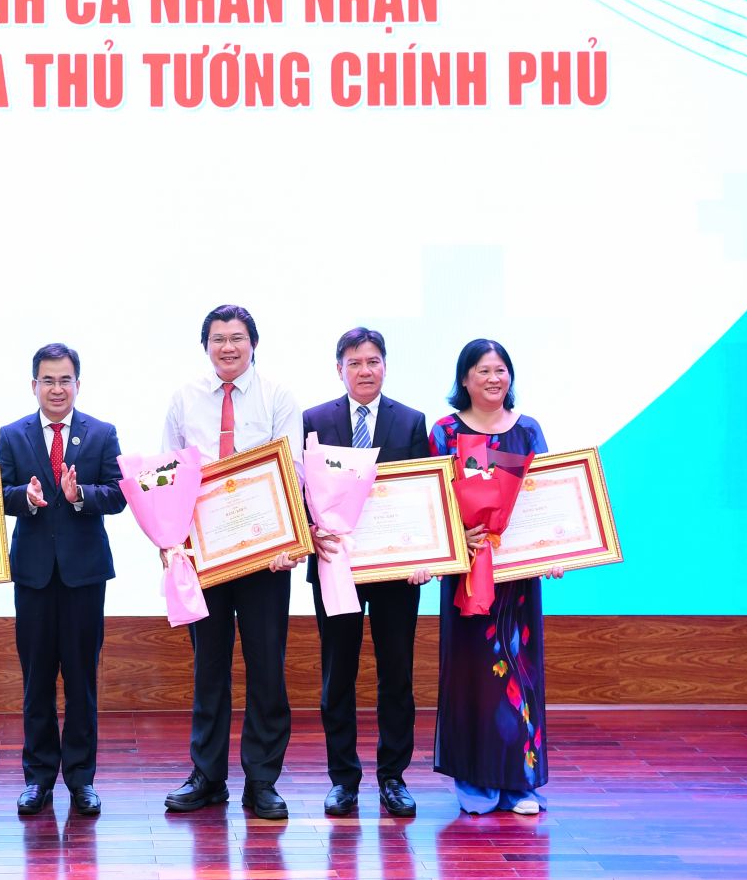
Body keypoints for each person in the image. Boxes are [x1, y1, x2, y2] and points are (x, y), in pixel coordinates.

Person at [160, 304, 303, 820]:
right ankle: (208, 776)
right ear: (206, 346)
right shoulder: (184, 399)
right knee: (209, 668)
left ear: (253, 344)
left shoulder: (278, 397)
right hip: (205, 557)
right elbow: (168, 475)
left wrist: (290, 538)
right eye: (218, 338)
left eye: (237, 338)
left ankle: (262, 781)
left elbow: (294, 472)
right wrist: (169, 541)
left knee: (267, 670)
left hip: (266, 557)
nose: (227, 347)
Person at [428, 338, 559, 816]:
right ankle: (476, 780)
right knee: (472, 679)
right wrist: (455, 538)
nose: (492, 378)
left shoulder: (528, 430)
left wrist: (555, 550)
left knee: (520, 675)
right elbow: (432, 500)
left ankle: (519, 782)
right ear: (464, 379)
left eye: (500, 369)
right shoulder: (444, 432)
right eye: (482, 370)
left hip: (517, 580)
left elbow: (547, 497)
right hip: (467, 575)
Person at [0, 343, 126, 817]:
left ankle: (81, 780)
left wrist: (80, 495)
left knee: (81, 680)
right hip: (32, 575)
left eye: (64, 380)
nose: (56, 389)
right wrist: (25, 498)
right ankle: (38, 778)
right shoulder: (13, 434)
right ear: (34, 385)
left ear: (77, 383)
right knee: (36, 681)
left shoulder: (101, 433)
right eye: (47, 380)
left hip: (84, 576)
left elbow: (118, 494)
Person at [303, 327, 430, 818]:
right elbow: (302, 488)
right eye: (354, 363)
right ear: (339, 369)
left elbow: (422, 494)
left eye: (373, 361)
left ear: (385, 366)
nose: (364, 371)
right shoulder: (315, 420)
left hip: (395, 571)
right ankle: (343, 780)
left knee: (396, 674)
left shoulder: (411, 421)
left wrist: (425, 555)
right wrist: (309, 531)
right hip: (336, 565)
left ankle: (393, 777)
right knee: (338, 674)